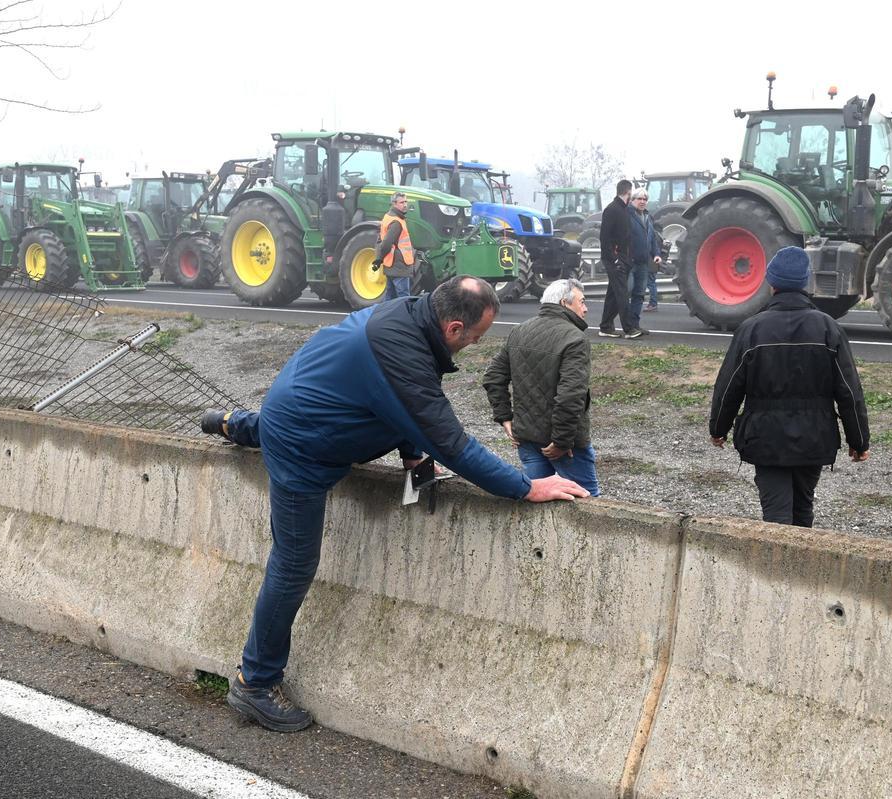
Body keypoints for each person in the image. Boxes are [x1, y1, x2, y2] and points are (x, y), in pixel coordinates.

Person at [200, 276, 589, 734]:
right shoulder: (400, 356)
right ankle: (254, 682)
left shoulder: (411, 314)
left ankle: (230, 423)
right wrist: (526, 487)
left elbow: (397, 404)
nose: (476, 345)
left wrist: (411, 454)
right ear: (454, 328)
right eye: (477, 337)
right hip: (301, 445)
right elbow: (453, 444)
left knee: (298, 417)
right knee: (293, 564)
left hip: (309, 401)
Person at [708, 246, 871, 528]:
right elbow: (848, 391)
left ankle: (777, 568)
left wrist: (718, 428)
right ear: (805, 282)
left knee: (776, 512)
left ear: (771, 282)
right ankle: (800, 565)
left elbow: (729, 387)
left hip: (765, 436)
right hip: (814, 436)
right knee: (803, 505)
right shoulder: (828, 328)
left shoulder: (751, 329)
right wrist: (858, 441)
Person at [482, 279, 599, 496]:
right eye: (582, 302)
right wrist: (563, 441)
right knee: (586, 501)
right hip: (563, 446)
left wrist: (505, 417)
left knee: (538, 501)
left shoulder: (520, 331)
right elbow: (571, 395)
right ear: (565, 303)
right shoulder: (575, 339)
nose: (585, 308)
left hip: (526, 438)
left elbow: (493, 377)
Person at [597, 179, 641, 339]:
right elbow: (604, 238)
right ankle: (629, 329)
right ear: (628, 193)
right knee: (622, 294)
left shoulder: (623, 210)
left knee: (614, 295)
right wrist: (614, 259)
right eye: (632, 194)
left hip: (624, 259)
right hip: (615, 260)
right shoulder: (612, 210)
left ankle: (605, 326)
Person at [626, 189, 662, 330]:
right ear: (632, 200)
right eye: (639, 199)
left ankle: (635, 325)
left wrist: (656, 254)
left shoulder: (647, 217)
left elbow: (652, 238)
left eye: (645, 199)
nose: (642, 202)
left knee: (639, 294)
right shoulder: (627, 215)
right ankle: (620, 324)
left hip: (643, 262)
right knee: (626, 292)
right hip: (629, 262)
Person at [372, 192, 415, 300]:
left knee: (390, 297)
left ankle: (385, 316)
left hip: (391, 264)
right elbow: (386, 243)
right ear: (394, 204)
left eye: (406, 201)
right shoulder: (396, 222)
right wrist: (380, 259)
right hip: (399, 265)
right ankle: (403, 317)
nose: (405, 204)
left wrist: (379, 259)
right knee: (403, 298)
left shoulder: (388, 217)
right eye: (401, 202)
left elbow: (380, 240)